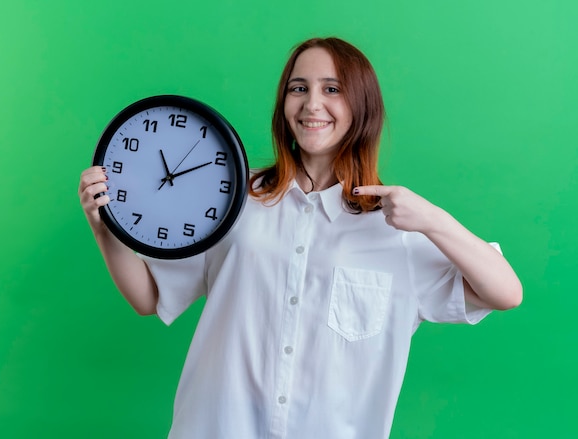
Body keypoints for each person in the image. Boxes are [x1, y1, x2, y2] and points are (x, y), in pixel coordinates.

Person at [78, 37, 522, 439]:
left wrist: (434, 221)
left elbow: (506, 292)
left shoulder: (399, 228)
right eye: (298, 88)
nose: (312, 104)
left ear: (361, 106)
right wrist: (104, 224)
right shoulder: (232, 194)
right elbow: (147, 297)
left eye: (332, 89)